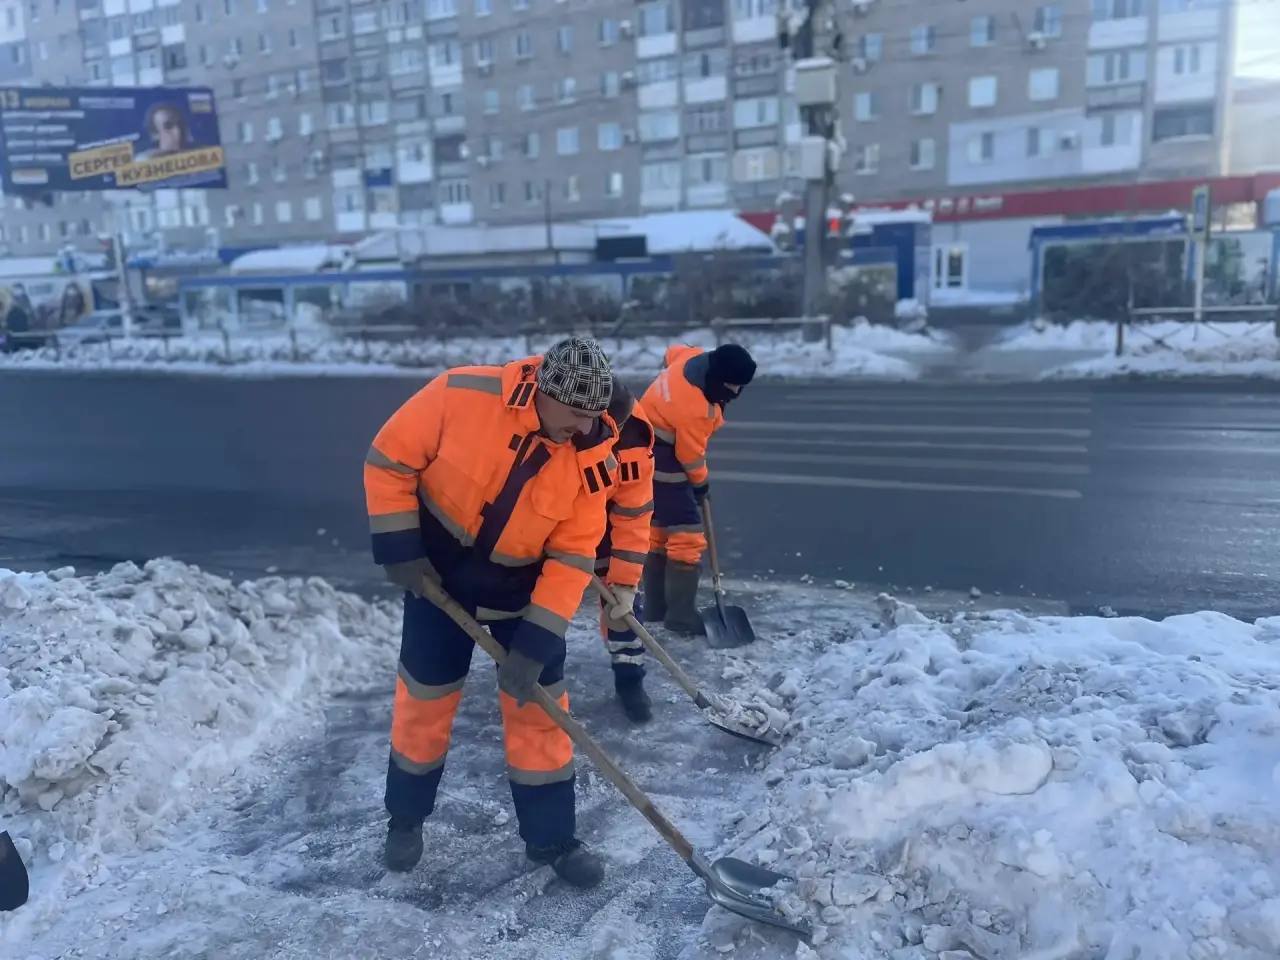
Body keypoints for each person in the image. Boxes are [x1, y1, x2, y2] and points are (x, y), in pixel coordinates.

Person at [363, 337, 616, 888]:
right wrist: (401, 550)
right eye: (575, 415)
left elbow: (574, 557)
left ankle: (552, 839)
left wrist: (537, 642)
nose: (585, 427)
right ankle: (404, 819)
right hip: (438, 577)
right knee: (423, 701)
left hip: (519, 589)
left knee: (541, 714)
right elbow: (388, 460)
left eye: (594, 417)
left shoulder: (592, 463)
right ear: (544, 394)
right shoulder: (461, 394)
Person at [639, 343, 757, 635]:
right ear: (718, 379)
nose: (735, 393)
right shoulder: (695, 409)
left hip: (642, 449)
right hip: (665, 460)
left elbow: (671, 351)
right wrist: (701, 485)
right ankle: (680, 618)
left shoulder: (691, 358)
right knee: (686, 536)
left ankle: (656, 608)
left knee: (658, 531)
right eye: (732, 386)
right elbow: (690, 456)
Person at [593, 384, 656, 723]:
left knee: (622, 606)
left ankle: (629, 679)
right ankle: (536, 672)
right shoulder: (559, 422)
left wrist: (625, 582)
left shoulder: (633, 443)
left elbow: (633, 515)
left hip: (605, 523)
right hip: (548, 520)